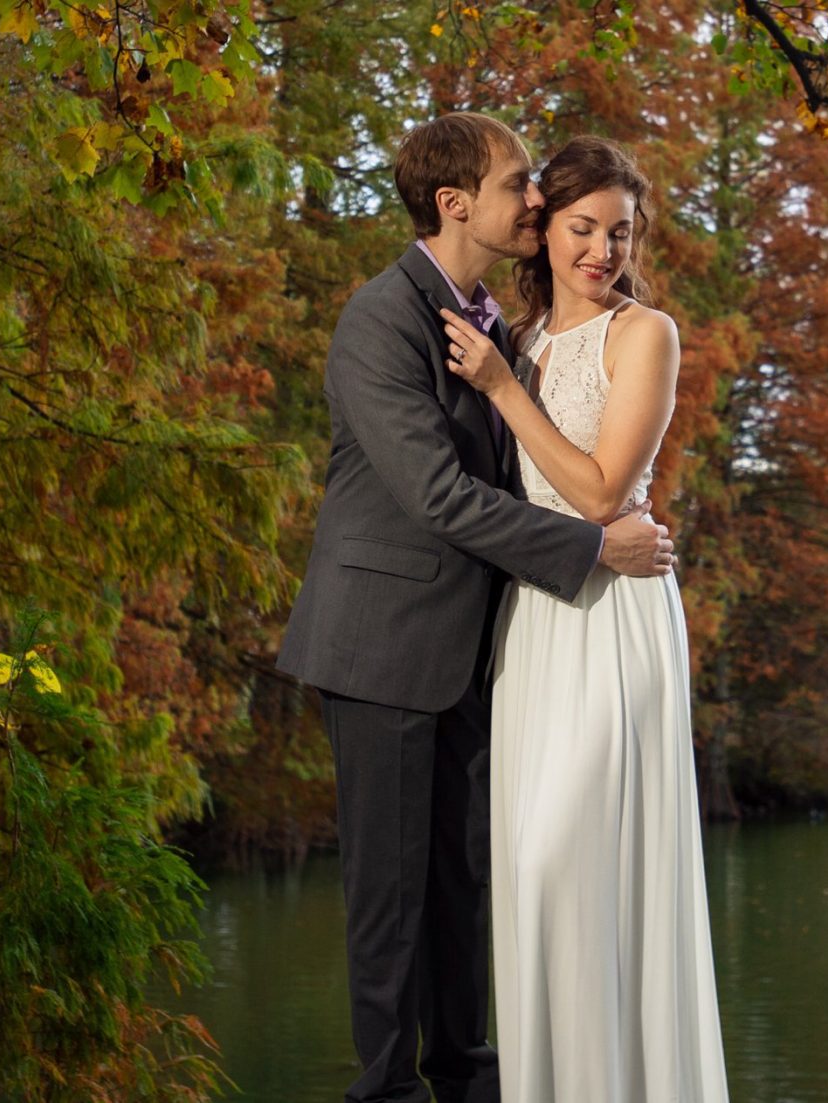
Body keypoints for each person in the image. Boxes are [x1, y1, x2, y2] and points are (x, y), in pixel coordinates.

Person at [276, 113, 675, 1103]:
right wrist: (593, 546)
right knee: (390, 898)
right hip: (381, 646)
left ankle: (465, 1079)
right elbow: (439, 497)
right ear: (455, 203)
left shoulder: (494, 321)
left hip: (482, 649)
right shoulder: (381, 318)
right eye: (516, 182)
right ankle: (388, 1091)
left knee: (461, 884)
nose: (533, 198)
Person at [438, 135, 729, 1102]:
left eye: (620, 232)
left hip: (615, 620)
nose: (603, 250)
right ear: (543, 230)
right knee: (532, 874)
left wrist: (499, 387)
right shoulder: (518, 340)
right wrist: (503, 372)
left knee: (575, 860)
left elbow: (603, 493)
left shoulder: (644, 334)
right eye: (582, 228)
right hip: (535, 625)